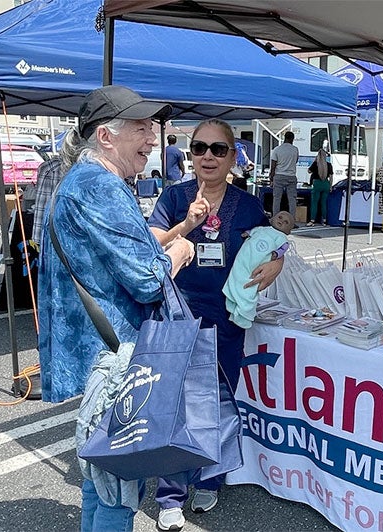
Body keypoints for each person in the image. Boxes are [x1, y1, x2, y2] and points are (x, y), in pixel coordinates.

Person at [38, 85, 195, 531]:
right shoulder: (99, 187)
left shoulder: (85, 181)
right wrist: (178, 252)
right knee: (118, 490)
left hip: (98, 357)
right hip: (114, 359)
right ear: (106, 136)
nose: (153, 137)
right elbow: (147, 280)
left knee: (101, 479)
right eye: (142, 127)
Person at [148, 118, 284, 531]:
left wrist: (276, 263)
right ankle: (170, 494)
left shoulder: (247, 204)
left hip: (226, 320)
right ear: (190, 155)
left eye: (218, 149)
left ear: (232, 156)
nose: (208, 156)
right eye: (200, 148)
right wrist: (187, 225)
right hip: (180, 312)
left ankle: (211, 477)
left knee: (221, 400)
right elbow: (151, 244)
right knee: (176, 404)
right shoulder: (174, 197)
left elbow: (270, 243)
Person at [223, 210, 294, 328]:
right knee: (237, 276)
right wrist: (246, 233)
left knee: (249, 284)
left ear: (288, 231)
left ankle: (243, 311)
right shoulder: (262, 229)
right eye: (280, 217)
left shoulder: (282, 238)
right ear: (272, 218)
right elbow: (251, 232)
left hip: (257, 263)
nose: (281, 221)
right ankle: (234, 302)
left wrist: (277, 256)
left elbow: (282, 249)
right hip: (243, 259)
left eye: (286, 222)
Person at [270, 130, 299, 216]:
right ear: (292, 139)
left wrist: (271, 177)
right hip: (291, 176)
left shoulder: (277, 149)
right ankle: (292, 220)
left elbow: (273, 166)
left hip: (279, 176)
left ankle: (275, 219)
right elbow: (296, 161)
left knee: (277, 199)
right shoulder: (295, 149)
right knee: (292, 199)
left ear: (284, 138)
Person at [307, 149, 333, 226]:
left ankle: (312, 220)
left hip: (317, 184)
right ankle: (324, 220)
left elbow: (309, 171)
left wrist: (315, 160)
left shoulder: (316, 164)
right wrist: (330, 186)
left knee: (314, 203)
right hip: (326, 184)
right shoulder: (329, 165)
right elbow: (331, 177)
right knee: (323, 203)